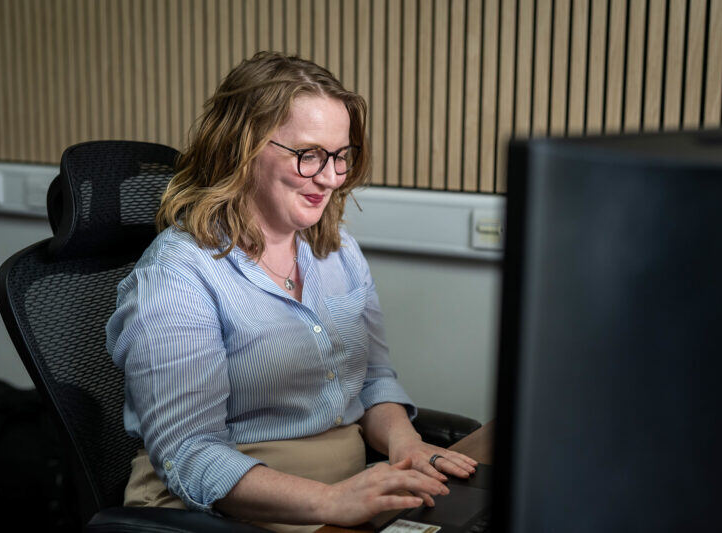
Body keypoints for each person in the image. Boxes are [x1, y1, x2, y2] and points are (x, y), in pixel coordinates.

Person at [106, 51, 477, 532]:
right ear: (241, 147)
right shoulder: (177, 276)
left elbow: (372, 379)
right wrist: (329, 502)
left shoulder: (337, 249)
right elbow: (189, 455)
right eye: (309, 155)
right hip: (223, 511)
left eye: (341, 156)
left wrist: (405, 445)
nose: (331, 178)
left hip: (346, 492)